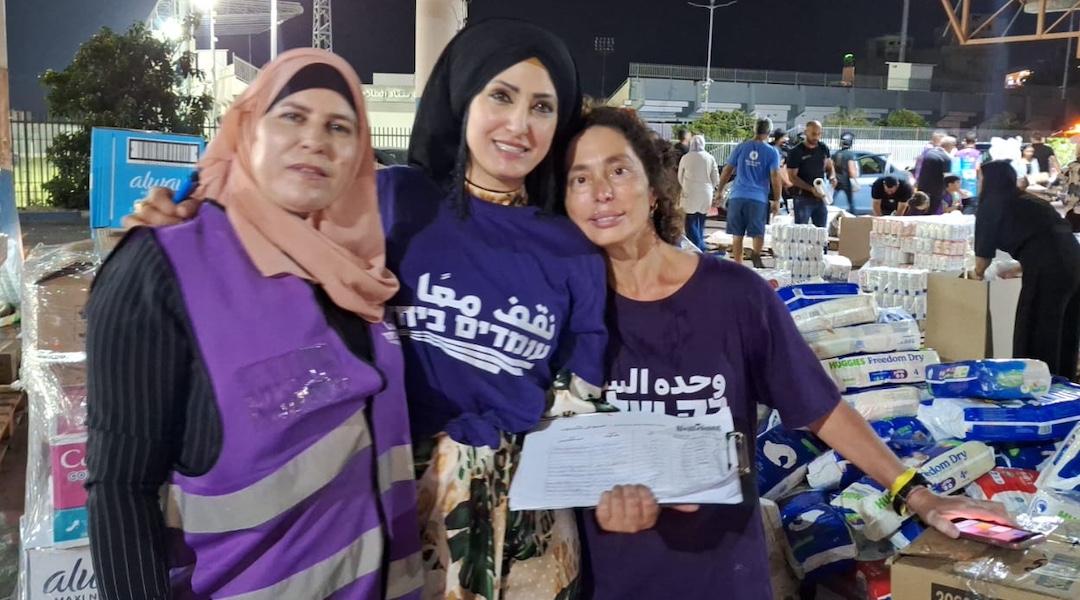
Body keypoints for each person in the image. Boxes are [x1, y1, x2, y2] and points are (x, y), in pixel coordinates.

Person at [122, 19, 609, 600]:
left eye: (543, 107)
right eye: (500, 96)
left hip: (524, 534)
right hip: (381, 503)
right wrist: (182, 222)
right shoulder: (387, 200)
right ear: (461, 98)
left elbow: (581, 394)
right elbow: (265, 231)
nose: (519, 124)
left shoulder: (572, 251)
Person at [561, 106, 1014, 600]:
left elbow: (819, 407)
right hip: (611, 574)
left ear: (654, 187)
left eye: (618, 170)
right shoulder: (561, 309)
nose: (600, 192)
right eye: (578, 178)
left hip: (720, 571)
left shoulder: (734, 295)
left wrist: (918, 495)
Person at [85, 49, 423, 600]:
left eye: (339, 127)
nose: (315, 139)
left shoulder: (359, 275)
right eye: (292, 116)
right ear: (247, 129)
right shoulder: (163, 267)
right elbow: (122, 488)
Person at [974, 160, 1080, 380]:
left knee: (1036, 324)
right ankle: (1063, 383)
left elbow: (982, 258)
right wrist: (1021, 265)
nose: (978, 183)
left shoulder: (992, 204)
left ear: (990, 181)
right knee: (1064, 325)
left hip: (1048, 267)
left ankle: (1035, 383)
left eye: (980, 178)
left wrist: (977, 275)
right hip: (1073, 260)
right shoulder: (1028, 200)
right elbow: (1046, 236)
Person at [718, 118, 781, 266]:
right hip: (758, 198)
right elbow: (775, 176)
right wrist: (777, 200)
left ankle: (738, 265)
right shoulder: (772, 152)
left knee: (737, 234)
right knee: (758, 232)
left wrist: (719, 191)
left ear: (754, 130)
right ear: (769, 132)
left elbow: (727, 171)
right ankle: (756, 255)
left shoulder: (741, 147)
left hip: (737, 196)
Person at [785, 120, 835, 227]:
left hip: (821, 196)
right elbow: (792, 177)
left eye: (818, 134)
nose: (816, 137)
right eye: (813, 134)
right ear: (806, 132)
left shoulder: (823, 148)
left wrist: (832, 177)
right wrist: (811, 189)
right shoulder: (796, 152)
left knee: (821, 231)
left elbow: (829, 166)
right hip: (802, 197)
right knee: (801, 230)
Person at [677, 134, 719, 251]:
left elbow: (680, 176)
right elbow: (716, 178)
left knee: (690, 221)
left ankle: (697, 245)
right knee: (701, 219)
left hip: (689, 192)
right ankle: (700, 243)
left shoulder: (686, 157)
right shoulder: (709, 158)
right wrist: (710, 187)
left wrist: (684, 186)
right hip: (706, 193)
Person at [916, 140, 951, 215]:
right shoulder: (945, 158)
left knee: (920, 210)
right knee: (930, 212)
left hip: (922, 187)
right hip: (936, 190)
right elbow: (947, 178)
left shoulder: (928, 153)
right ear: (950, 146)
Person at [832, 131, 859, 213]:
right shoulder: (850, 155)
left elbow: (832, 167)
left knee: (831, 201)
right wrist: (856, 182)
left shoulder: (836, 154)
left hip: (837, 181)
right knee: (851, 203)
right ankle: (854, 219)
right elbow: (851, 170)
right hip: (846, 182)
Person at [954, 133, 982, 204]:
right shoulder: (977, 153)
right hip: (972, 186)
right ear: (976, 140)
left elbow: (955, 169)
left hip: (959, 185)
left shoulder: (958, 153)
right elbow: (977, 168)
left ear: (965, 141)